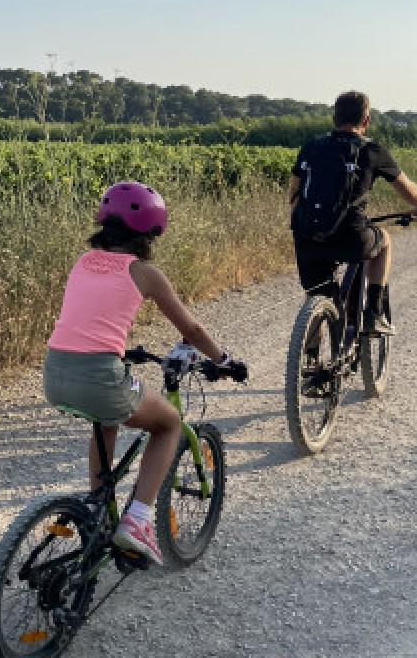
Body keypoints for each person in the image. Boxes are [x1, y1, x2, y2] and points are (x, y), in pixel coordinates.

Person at [44, 181, 243, 566]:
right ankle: (138, 520)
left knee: (106, 422)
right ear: (151, 232)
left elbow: (91, 317)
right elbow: (194, 331)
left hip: (54, 373)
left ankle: (96, 516)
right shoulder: (146, 274)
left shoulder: (82, 262)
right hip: (100, 376)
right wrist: (223, 360)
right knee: (168, 423)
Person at [287, 91, 417, 334]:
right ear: (366, 121)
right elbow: (406, 187)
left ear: (334, 119)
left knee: (316, 294)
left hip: (306, 236)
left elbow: (294, 192)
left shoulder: (311, 147)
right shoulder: (372, 151)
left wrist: (308, 223)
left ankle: (310, 363)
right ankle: (374, 314)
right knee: (384, 241)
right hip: (351, 236)